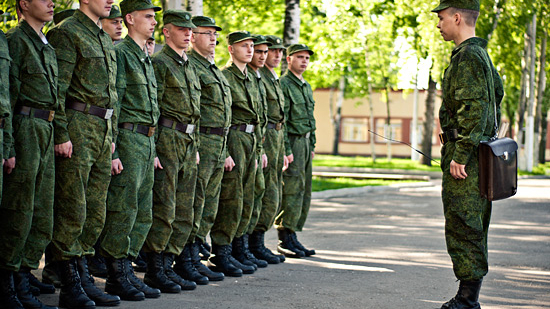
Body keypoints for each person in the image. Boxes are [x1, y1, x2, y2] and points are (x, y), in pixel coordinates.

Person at [46, 0, 122, 307]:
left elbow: (112, 92)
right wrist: (61, 133)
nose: (111, 1)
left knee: (95, 209)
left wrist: (112, 134)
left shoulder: (102, 36)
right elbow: (58, 89)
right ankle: (69, 283)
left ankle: (83, 273)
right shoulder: (67, 33)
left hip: (102, 129)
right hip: (78, 125)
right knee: (73, 207)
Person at [432, 0, 503, 308]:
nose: (439, 24)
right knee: (471, 223)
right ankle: (468, 296)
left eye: (442, 17)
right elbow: (496, 96)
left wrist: (460, 152)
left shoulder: (468, 56)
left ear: (457, 18)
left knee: (465, 224)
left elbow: (473, 109)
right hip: (475, 151)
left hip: (468, 159)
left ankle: (467, 300)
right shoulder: (481, 55)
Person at [98, 0, 162, 301]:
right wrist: (113, 149)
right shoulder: (122, 54)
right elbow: (115, 103)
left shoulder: (144, 57)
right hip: (128, 137)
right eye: (147, 17)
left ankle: (127, 268)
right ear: (130, 19)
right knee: (123, 209)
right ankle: (116, 273)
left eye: (154, 17)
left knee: (142, 211)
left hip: (146, 141)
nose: (153, 22)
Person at [0, 0, 58, 307]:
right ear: (24, 4)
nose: (51, 2)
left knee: (41, 209)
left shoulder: (44, 44)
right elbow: (7, 94)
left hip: (45, 127)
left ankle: (23, 271)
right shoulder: (15, 40)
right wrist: (9, 144)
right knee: (18, 209)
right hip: (24, 126)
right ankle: (8, 278)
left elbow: (56, 95)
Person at [143, 9, 203, 291]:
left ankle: (171, 262)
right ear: (166, 32)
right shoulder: (160, 63)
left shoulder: (189, 64)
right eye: (182, 29)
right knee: (164, 206)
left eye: (190, 29)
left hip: (189, 141)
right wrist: (154, 148)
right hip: (168, 137)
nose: (188, 33)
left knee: (184, 208)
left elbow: (197, 112)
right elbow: (153, 109)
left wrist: (197, 146)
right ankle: (155, 268)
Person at [208, 31, 261, 276]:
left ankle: (239, 247)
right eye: (244, 46)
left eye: (252, 46)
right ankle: (221, 251)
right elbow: (224, 117)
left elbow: (258, 117)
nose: (249, 50)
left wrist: (259, 148)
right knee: (231, 197)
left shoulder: (250, 77)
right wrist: (226, 150)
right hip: (235, 139)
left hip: (251, 139)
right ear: (231, 49)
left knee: (248, 196)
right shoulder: (225, 76)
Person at [184, 15, 231, 281]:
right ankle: (187, 256)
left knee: (209, 205)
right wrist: (198, 147)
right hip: (201, 142)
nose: (213, 38)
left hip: (218, 143)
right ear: (193, 36)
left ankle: (197, 253)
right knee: (195, 202)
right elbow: (195, 113)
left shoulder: (213, 69)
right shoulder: (192, 66)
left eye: (215, 34)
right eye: (207, 33)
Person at [274, 43, 316, 259]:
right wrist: (286, 149)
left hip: (306, 143)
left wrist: (313, 145)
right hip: (293, 142)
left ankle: (294, 233)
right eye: (299, 57)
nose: (304, 61)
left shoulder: (306, 86)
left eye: (307, 58)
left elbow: (311, 118)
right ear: (289, 59)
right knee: (291, 188)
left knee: (304, 190)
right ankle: (284, 236)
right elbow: (284, 120)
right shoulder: (284, 84)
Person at [249, 35, 286, 264]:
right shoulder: (258, 76)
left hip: (276, 136)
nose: (273, 55)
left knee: (272, 192)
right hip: (264, 135)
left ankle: (258, 241)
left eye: (278, 52)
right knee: (260, 191)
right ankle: (252, 243)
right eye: (269, 51)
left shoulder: (273, 78)